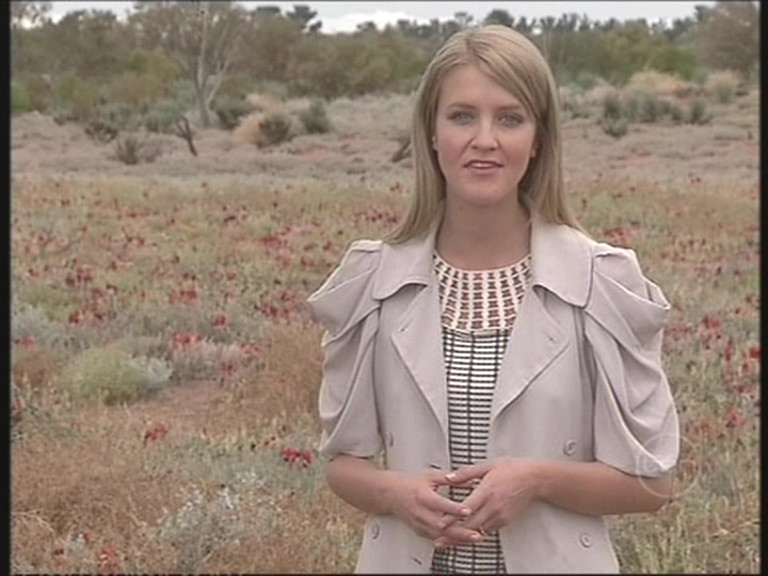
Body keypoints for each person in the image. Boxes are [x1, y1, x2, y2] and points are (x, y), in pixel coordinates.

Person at [307, 24, 679, 574]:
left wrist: (539, 480)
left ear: (539, 138)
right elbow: (344, 462)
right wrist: (394, 493)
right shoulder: (375, 282)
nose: (485, 139)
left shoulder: (599, 282)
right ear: (432, 134)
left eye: (510, 118)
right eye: (462, 116)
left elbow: (651, 483)